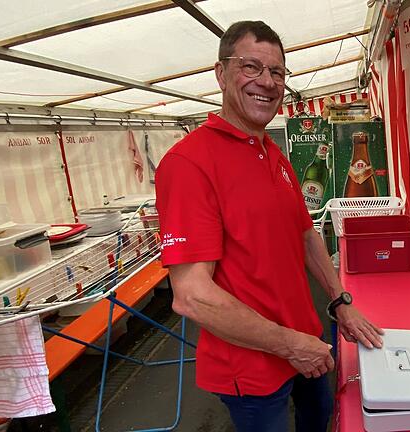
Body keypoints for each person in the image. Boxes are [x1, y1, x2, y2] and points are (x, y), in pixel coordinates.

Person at [154, 21, 383, 432]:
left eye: (277, 72)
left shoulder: (271, 151)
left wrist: (339, 300)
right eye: (251, 67)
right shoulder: (189, 163)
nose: (267, 82)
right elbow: (192, 297)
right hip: (253, 365)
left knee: (322, 422)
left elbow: (304, 232)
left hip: (307, 341)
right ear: (221, 73)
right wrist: (290, 345)